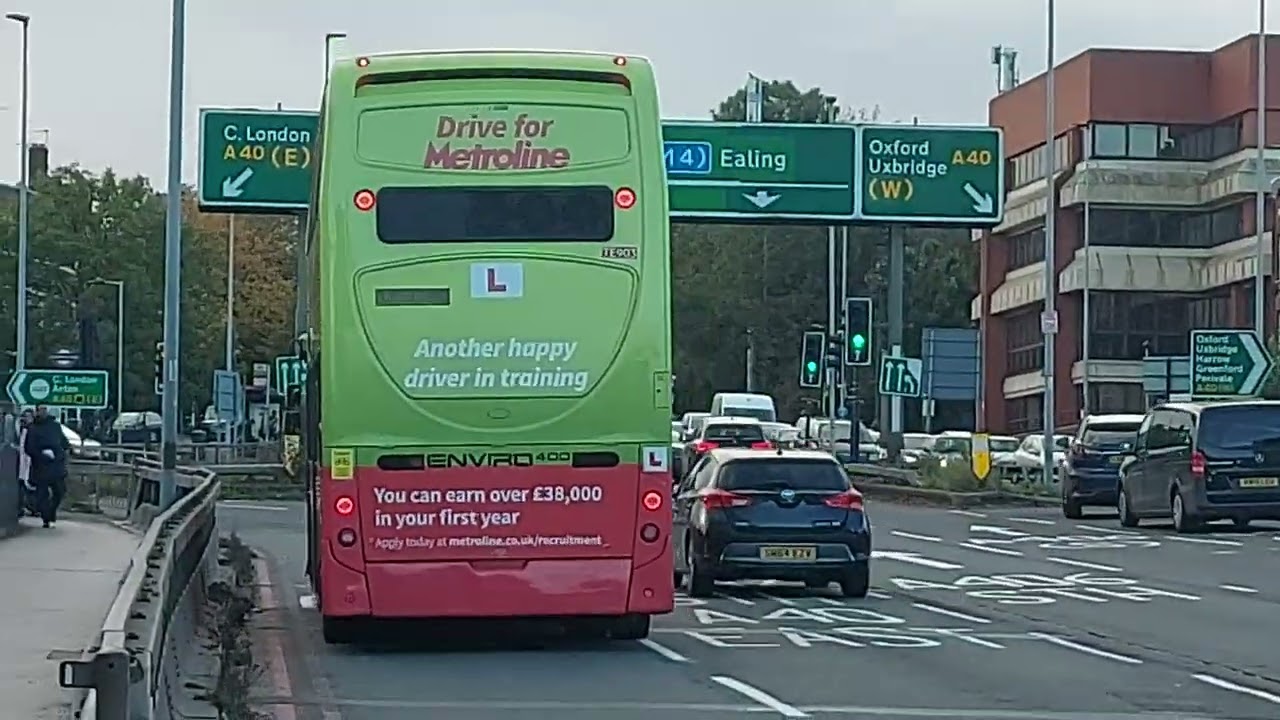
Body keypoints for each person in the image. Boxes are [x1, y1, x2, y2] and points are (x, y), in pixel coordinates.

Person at [23, 405, 69, 528]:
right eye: (40, 409)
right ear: (36, 411)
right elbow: (28, 448)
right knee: (42, 495)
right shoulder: (33, 428)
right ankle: (46, 518)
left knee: (59, 492)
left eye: (44, 409)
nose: (43, 411)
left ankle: (51, 512)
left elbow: (64, 443)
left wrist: (60, 453)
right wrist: (42, 455)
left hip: (56, 465)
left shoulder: (55, 426)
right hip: (40, 466)